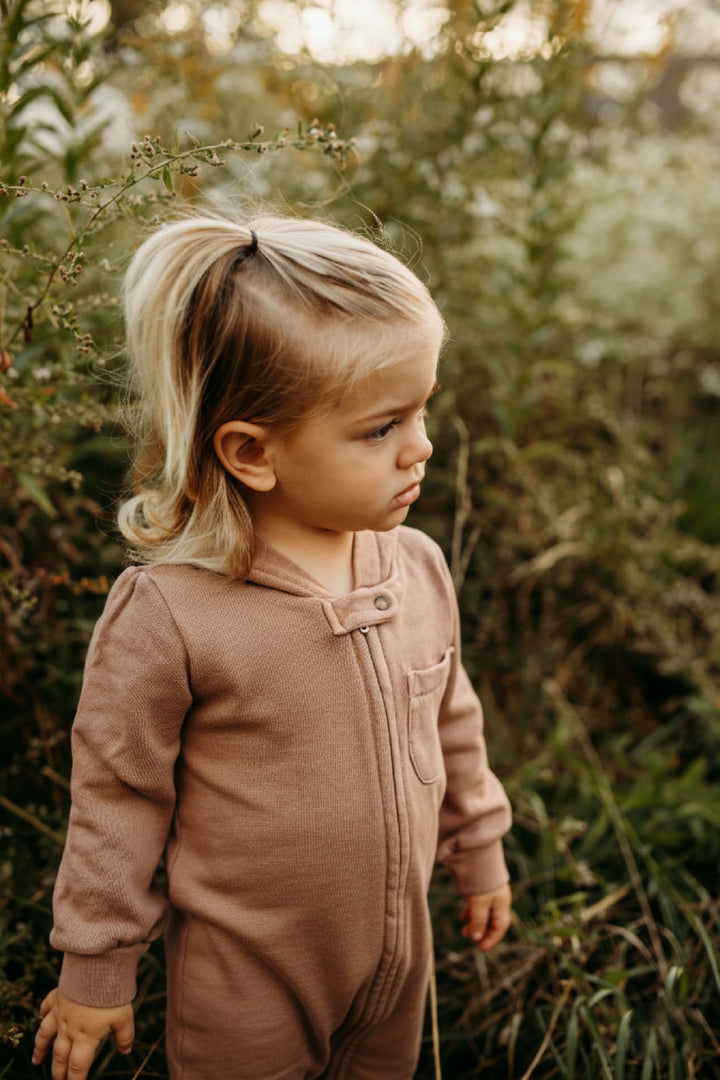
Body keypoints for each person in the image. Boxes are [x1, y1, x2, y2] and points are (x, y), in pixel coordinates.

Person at [32, 214, 512, 1080]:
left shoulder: (417, 566)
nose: (422, 446)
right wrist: (96, 967)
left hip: (398, 971)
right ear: (253, 452)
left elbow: (452, 719)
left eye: (423, 410)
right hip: (249, 984)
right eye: (382, 427)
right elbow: (117, 796)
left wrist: (479, 847)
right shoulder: (174, 614)